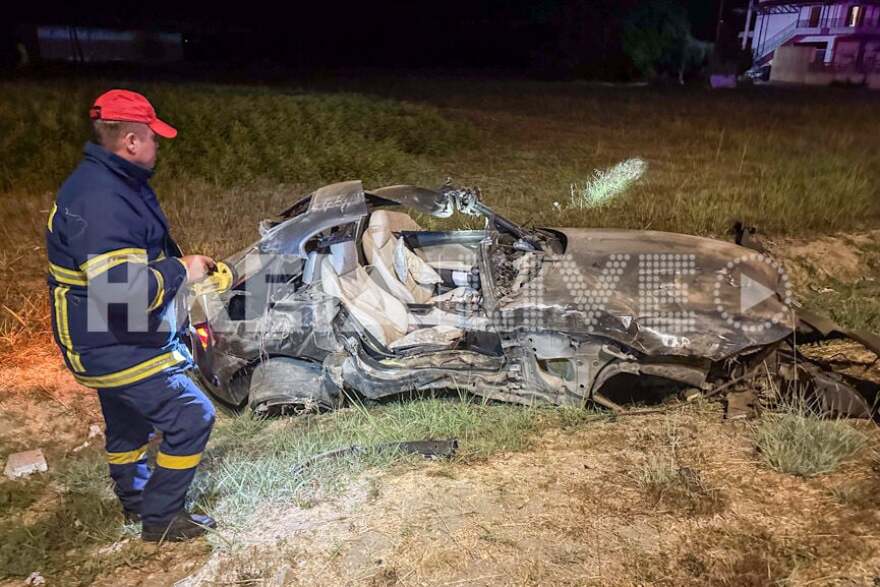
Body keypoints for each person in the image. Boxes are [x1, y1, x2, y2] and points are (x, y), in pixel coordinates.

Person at [46, 89, 218, 542]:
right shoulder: (102, 198)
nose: (158, 146)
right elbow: (121, 293)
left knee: (129, 421)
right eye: (153, 138)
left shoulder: (106, 184)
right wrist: (183, 269)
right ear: (130, 141)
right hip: (108, 340)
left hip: (106, 334)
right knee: (191, 415)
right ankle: (162, 519)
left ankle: (136, 500)